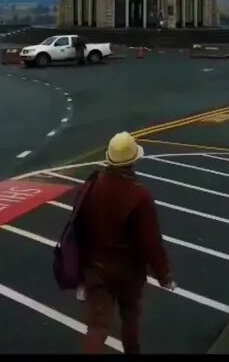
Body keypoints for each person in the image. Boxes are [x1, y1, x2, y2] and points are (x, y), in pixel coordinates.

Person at [77, 132, 175, 354]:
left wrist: (81, 271)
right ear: (133, 161)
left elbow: (79, 228)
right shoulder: (139, 195)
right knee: (130, 316)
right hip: (128, 271)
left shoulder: (93, 185)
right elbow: (151, 241)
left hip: (95, 267)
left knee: (97, 325)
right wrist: (164, 275)